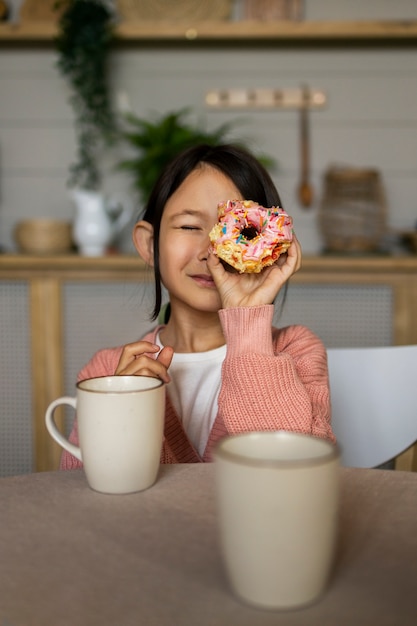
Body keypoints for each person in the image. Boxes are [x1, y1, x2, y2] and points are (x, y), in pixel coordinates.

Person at [60, 143, 334, 469]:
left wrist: (247, 321)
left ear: (271, 245)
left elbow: (294, 473)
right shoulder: (107, 371)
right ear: (149, 244)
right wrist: (123, 407)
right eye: (190, 226)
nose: (211, 252)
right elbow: (82, 494)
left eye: (237, 230)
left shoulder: (295, 350)